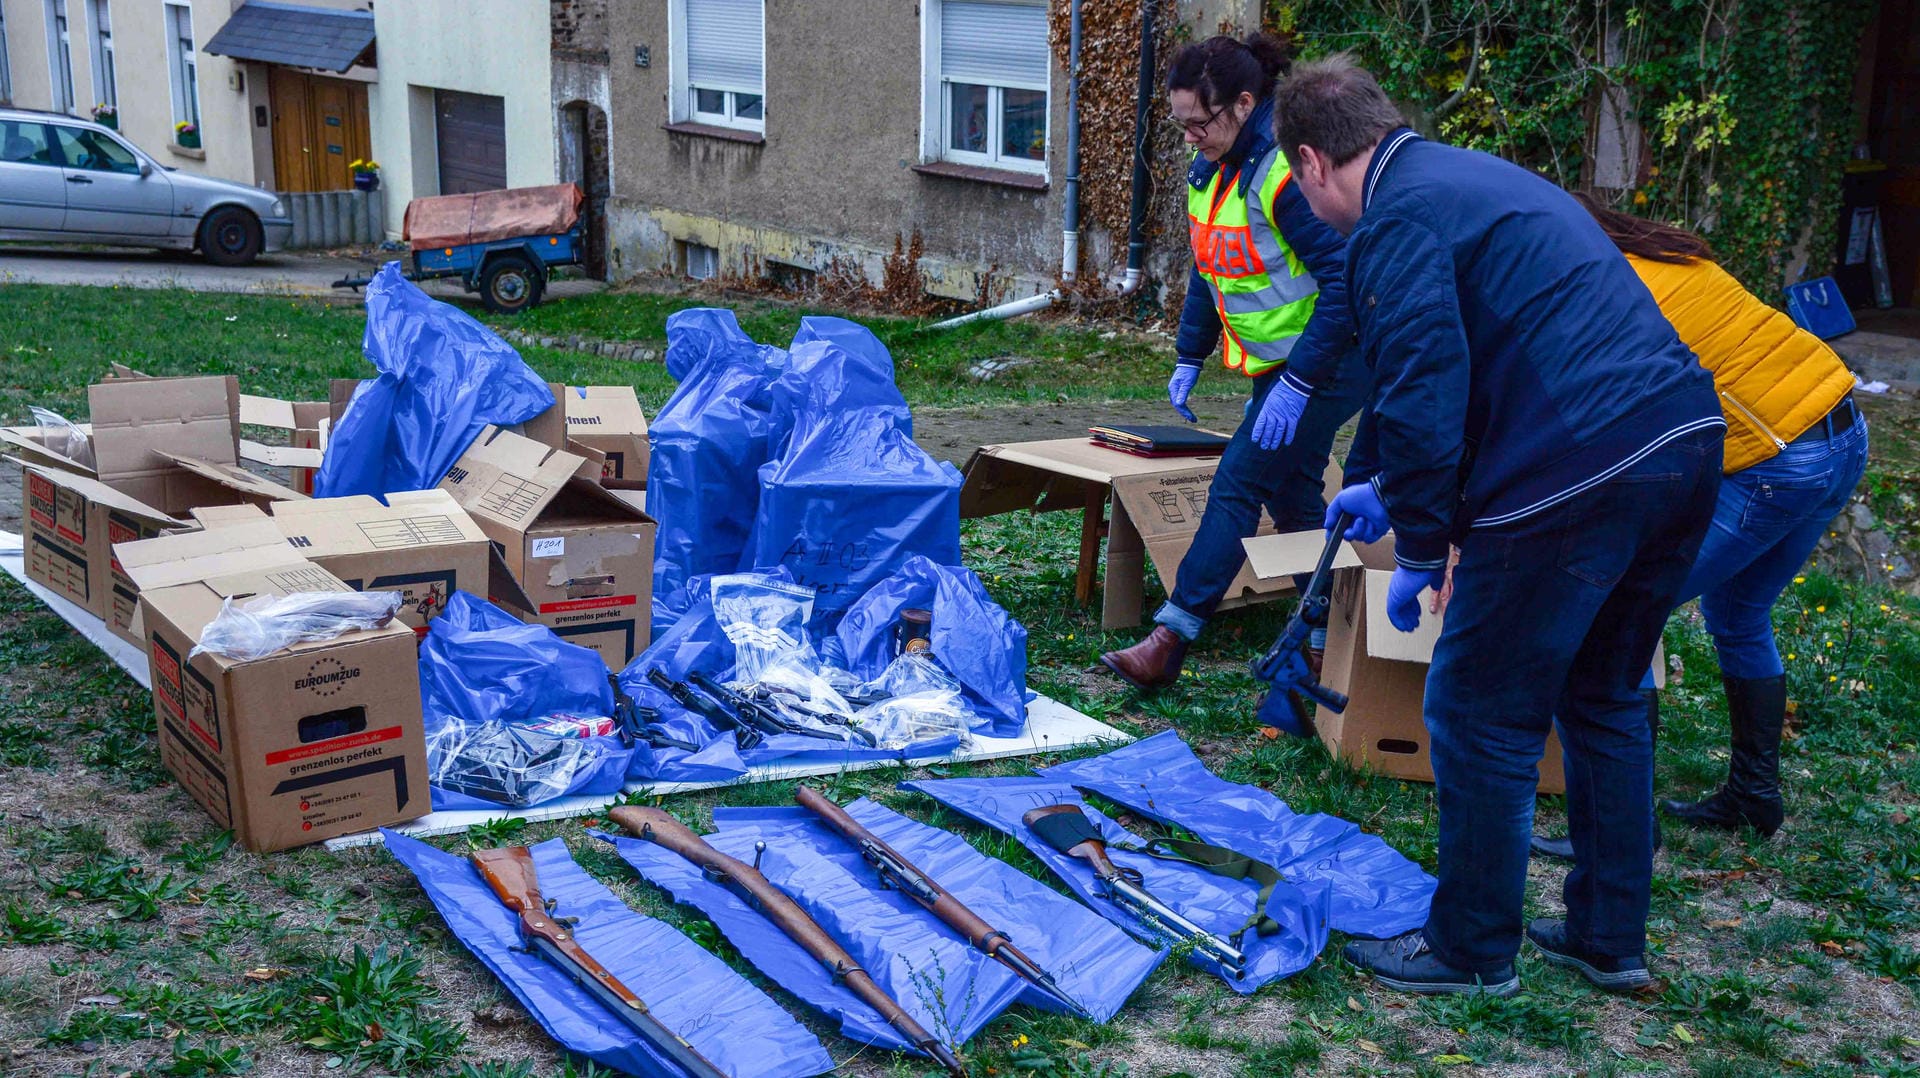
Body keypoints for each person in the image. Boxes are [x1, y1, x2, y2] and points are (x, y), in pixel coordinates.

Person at [1274, 55, 1725, 996]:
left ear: (1313, 162)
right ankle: (1609, 936)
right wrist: (1400, 492)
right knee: (1604, 695)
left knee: (1478, 711)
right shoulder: (1470, 178)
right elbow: (1498, 364)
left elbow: (1426, 393)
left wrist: (1426, 547)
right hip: (1681, 440)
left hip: (1579, 468)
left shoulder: (1395, 221)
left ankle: (1472, 949)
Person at [1527, 196, 1864, 859]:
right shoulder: (1663, 253)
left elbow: (1609, 426)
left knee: (1618, 613)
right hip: (1841, 431)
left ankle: (1622, 825)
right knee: (1738, 614)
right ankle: (1754, 795)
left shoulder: (1609, 291)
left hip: (1780, 459)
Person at [1098, 33, 1367, 694]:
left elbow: (1347, 282)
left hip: (1336, 355)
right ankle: (1325, 638)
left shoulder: (1283, 176)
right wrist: (1190, 353)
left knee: (1239, 481)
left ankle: (1172, 635)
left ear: (1245, 104)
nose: (1191, 135)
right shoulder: (1207, 171)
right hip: (1282, 367)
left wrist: (1300, 382)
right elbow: (1207, 268)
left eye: (1201, 121)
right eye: (1180, 123)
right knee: (1294, 492)